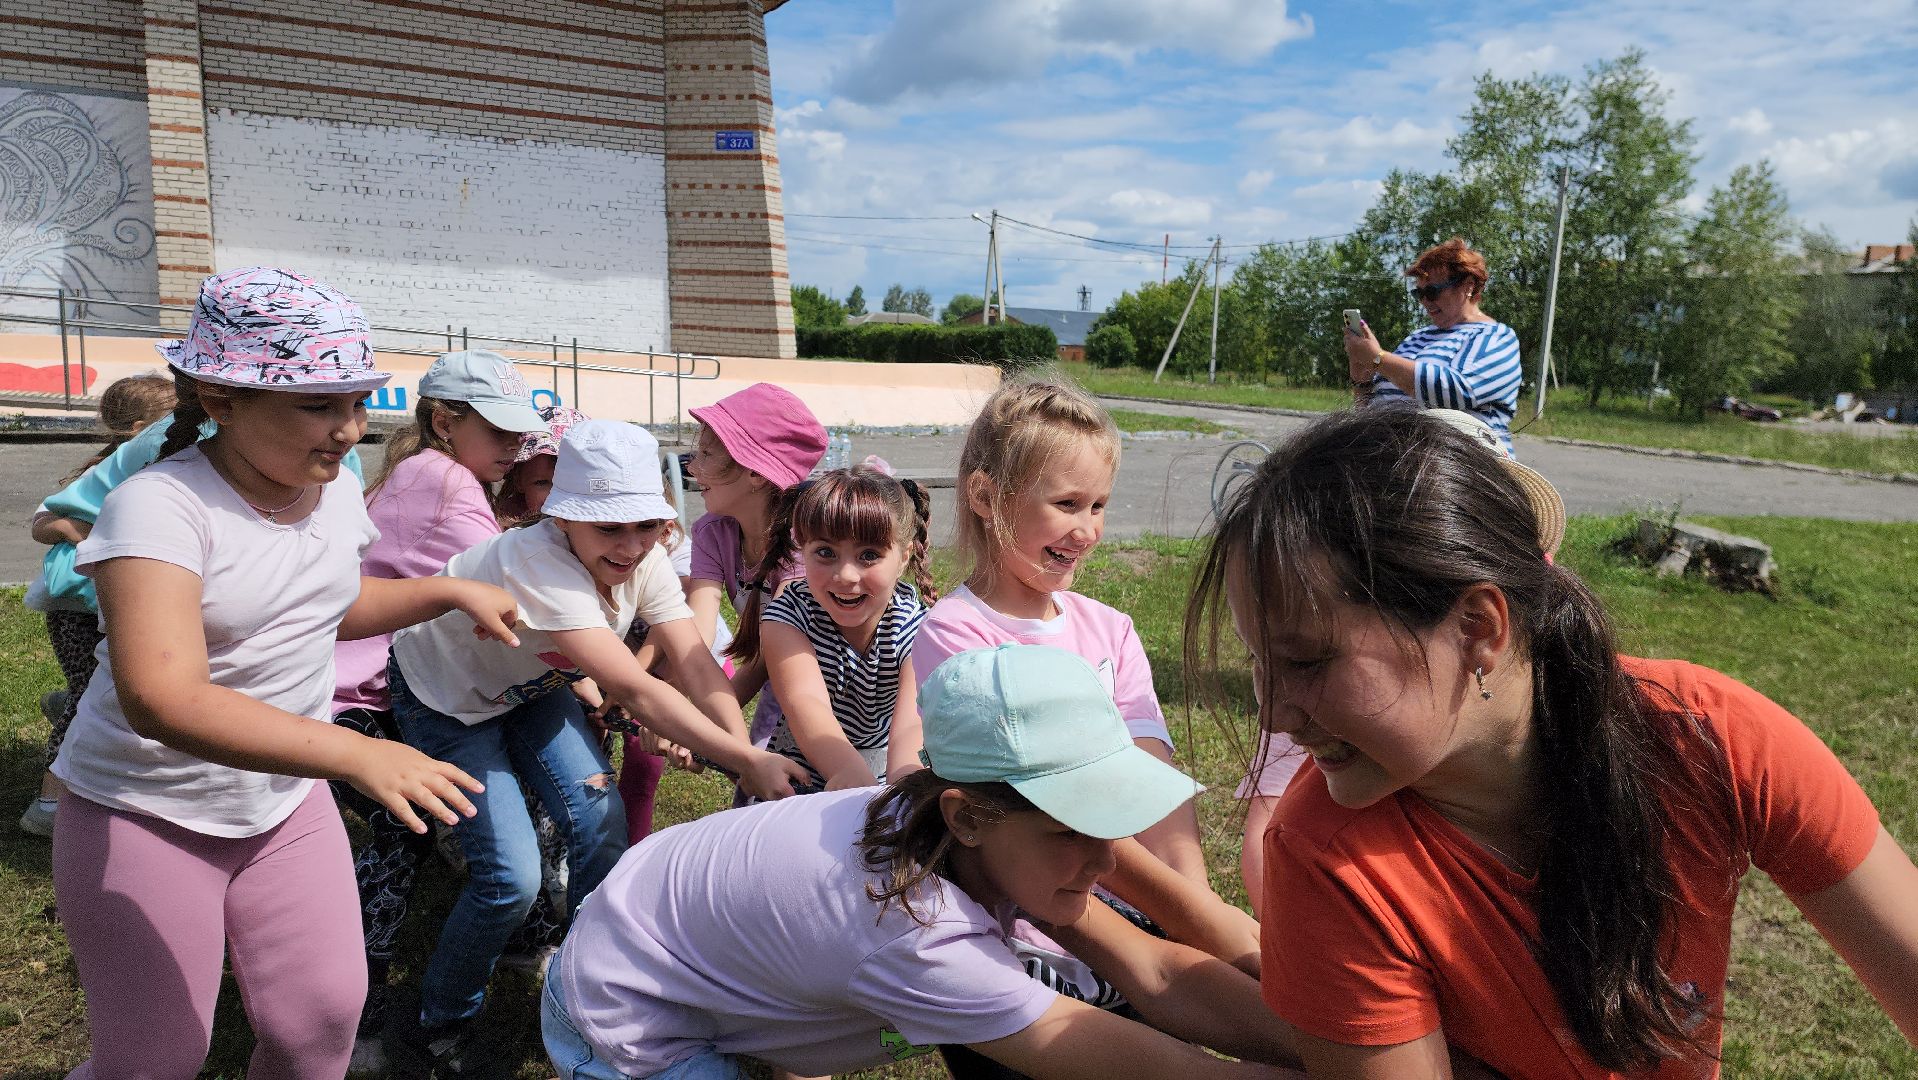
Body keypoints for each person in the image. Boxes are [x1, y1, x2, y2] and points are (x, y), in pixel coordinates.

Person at [1186, 405, 1918, 1078]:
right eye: (1259, 663)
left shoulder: (1712, 738)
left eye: (1308, 661)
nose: (1272, 713)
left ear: (1478, 628)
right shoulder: (1325, 857)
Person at [50, 267, 514, 1080]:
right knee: (153, 1058)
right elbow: (163, 697)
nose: (348, 429)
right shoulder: (158, 510)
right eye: (316, 404)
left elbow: (317, 607)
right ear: (220, 401)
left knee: (317, 1029)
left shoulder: (328, 492)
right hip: (144, 808)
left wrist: (443, 589)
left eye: (358, 401)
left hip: (280, 804)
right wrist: (354, 754)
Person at [543, 643, 1307, 1080]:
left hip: (661, 924)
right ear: (967, 818)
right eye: (1077, 828)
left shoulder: (949, 813)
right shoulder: (911, 930)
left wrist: (1338, 1046)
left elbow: (1162, 969)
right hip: (623, 1008)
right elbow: (1185, 1076)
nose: (1108, 861)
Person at [386, 418, 810, 1074]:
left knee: (603, 824)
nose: (632, 544)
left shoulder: (642, 563)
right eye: (610, 527)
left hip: (530, 687)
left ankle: (593, 985)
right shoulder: (537, 565)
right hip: (449, 705)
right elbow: (634, 690)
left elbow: (698, 664)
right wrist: (748, 757)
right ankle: (440, 1021)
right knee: (511, 878)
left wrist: (738, 752)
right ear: (562, 521)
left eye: (645, 526)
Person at [327, 348, 552, 1071]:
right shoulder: (450, 483)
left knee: (436, 816)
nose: (516, 450)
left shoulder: (422, 469)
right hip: (361, 692)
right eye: (503, 434)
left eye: (523, 436)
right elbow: (514, 589)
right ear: (445, 421)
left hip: (378, 679)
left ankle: (517, 928)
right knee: (405, 832)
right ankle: (357, 1014)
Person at [913, 378, 1208, 886]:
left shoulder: (1112, 631)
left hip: (1128, 885)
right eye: (1068, 504)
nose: (1088, 530)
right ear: (986, 496)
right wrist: (1180, 913)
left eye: (1098, 506)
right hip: (1035, 903)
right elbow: (1030, 810)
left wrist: (1193, 889)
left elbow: (1153, 769)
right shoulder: (955, 636)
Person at [19, 371, 178, 837]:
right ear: (139, 433)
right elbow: (43, 521)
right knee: (92, 700)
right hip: (80, 612)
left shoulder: (167, 472)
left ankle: (66, 698)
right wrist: (77, 531)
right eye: (174, 421)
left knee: (101, 685)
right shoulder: (106, 474)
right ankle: (47, 804)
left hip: (114, 608)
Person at [727, 464, 935, 793]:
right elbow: (806, 702)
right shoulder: (787, 617)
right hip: (795, 778)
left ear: (904, 558)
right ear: (802, 550)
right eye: (826, 553)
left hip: (884, 774)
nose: (846, 575)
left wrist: (906, 788)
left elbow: (911, 722)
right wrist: (847, 773)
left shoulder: (918, 628)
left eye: (869, 555)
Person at [684, 382, 829, 777]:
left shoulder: (806, 545)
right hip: (780, 691)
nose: (692, 467)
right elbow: (694, 635)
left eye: (708, 455)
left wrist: (704, 728)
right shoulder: (712, 532)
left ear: (755, 474)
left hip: (835, 697)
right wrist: (684, 714)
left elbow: (768, 659)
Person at [1344, 237, 1523, 454]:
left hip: (1463, 472)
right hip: (1394, 465)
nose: (1425, 302)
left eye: (1432, 292)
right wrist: (1362, 379)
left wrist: (1378, 358)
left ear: (1468, 286)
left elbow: (1458, 391)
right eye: (1419, 294)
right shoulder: (1416, 338)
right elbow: (1370, 409)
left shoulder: (1496, 336)